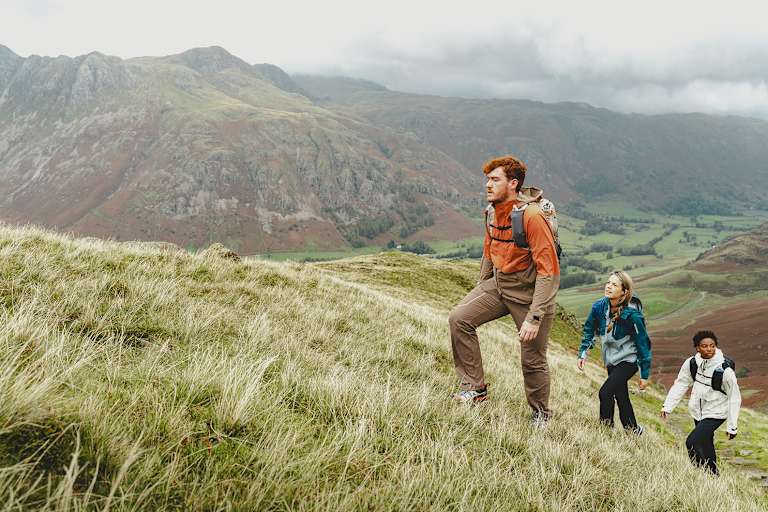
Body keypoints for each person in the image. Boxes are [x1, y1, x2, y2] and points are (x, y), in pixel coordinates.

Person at [448, 155, 560, 426]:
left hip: (529, 294)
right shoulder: (491, 212)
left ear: (513, 184)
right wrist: (481, 287)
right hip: (499, 285)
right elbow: (489, 251)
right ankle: (474, 388)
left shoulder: (531, 217)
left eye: (494, 179)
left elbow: (548, 271)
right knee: (459, 319)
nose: (488, 184)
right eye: (488, 179)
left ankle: (540, 415)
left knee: (532, 359)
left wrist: (535, 316)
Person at [577, 271, 651, 434]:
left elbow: (643, 343)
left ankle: (605, 430)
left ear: (624, 291)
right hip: (611, 359)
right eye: (608, 283)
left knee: (605, 392)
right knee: (621, 396)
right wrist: (583, 352)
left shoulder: (633, 315)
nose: (609, 286)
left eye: (614, 284)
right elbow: (589, 330)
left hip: (629, 360)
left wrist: (644, 374)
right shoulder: (598, 307)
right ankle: (634, 430)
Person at [661, 330, 741, 476]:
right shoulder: (692, 363)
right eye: (704, 346)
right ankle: (713, 476)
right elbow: (681, 384)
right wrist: (668, 406)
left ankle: (700, 475)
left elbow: (734, 397)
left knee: (691, 442)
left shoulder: (725, 370)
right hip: (698, 410)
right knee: (706, 443)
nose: (709, 349)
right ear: (697, 347)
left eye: (712, 345)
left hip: (717, 412)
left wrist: (732, 426)